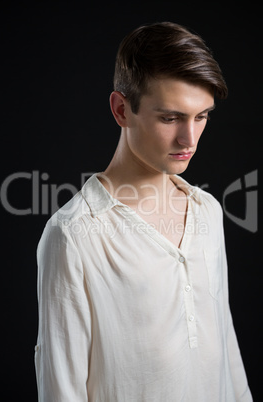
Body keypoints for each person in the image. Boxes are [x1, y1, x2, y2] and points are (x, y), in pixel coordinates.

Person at [35, 22, 253, 401]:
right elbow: (61, 387)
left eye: (201, 117)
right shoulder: (73, 235)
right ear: (122, 109)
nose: (189, 139)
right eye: (170, 118)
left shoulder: (208, 212)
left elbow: (225, 347)